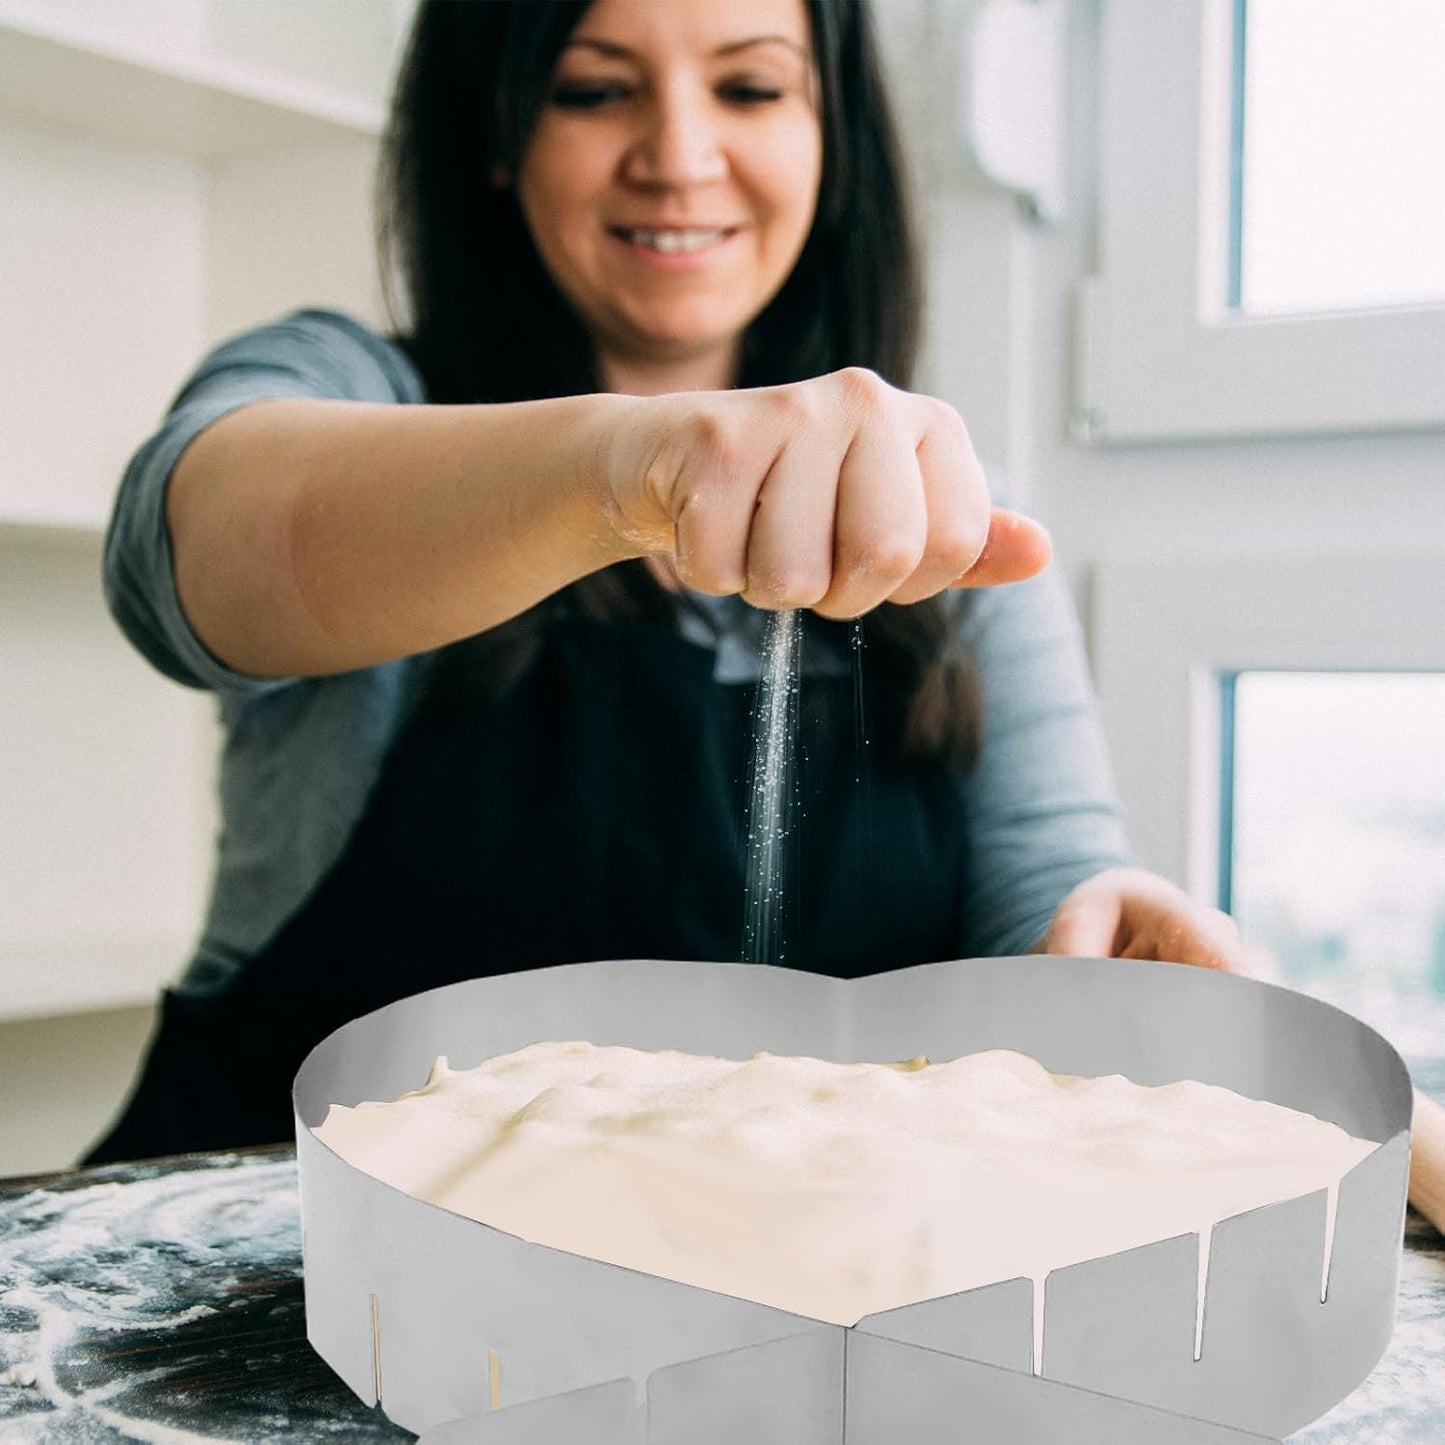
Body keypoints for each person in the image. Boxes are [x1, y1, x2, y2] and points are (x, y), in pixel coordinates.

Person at [84, 0, 1444, 1232]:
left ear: (831, 138)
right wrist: (635, 465)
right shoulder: (350, 391)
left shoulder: (949, 527)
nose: (679, 156)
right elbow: (181, 557)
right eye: (592, 89)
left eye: (749, 88)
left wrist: (1114, 947)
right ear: (494, 136)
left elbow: (1049, 908)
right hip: (257, 1283)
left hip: (769, 1316)